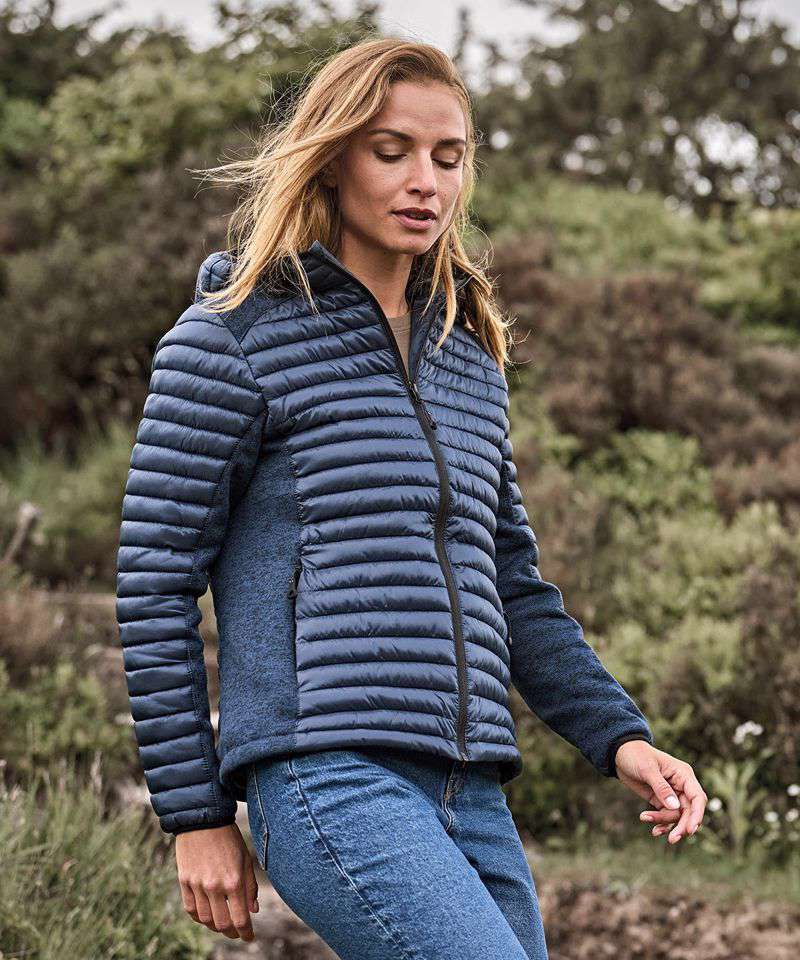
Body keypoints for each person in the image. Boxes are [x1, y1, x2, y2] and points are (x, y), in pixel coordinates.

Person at [115, 36, 707, 959]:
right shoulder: (232, 338)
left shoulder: (466, 356)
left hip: (470, 790)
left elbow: (511, 588)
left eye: (448, 156)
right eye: (391, 152)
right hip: (326, 773)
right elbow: (154, 582)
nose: (424, 181)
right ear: (333, 159)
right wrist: (196, 814)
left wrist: (620, 737)